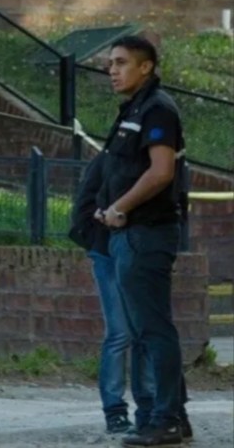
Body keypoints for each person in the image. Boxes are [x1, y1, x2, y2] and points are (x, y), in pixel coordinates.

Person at [94, 35, 193, 447]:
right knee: (143, 330)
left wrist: (119, 207)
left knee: (153, 330)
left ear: (146, 66)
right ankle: (169, 417)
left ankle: (165, 419)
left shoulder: (158, 108)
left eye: (120, 63)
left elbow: (161, 172)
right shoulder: (135, 108)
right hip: (128, 235)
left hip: (145, 233)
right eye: (110, 64)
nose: (112, 70)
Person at [69, 153, 155, 434]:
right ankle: (115, 410)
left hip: (139, 252)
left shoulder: (154, 163)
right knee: (120, 332)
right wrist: (99, 228)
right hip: (108, 251)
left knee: (143, 333)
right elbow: (83, 208)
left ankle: (149, 407)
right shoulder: (108, 159)